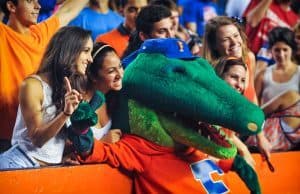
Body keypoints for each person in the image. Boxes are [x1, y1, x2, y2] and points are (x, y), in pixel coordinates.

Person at [0, 0, 90, 153]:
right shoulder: (2, 34)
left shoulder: (42, 34)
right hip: (5, 139)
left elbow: (67, 11)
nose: (38, 6)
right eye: (30, 1)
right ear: (11, 6)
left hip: (40, 139)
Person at [202, 16, 272, 159]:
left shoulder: (249, 58)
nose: (234, 42)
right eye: (226, 39)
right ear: (215, 45)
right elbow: (212, 123)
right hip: (216, 139)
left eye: (236, 35)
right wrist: (241, 147)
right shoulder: (209, 72)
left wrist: (260, 136)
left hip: (241, 131)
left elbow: (251, 99)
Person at [252, 27, 300, 151]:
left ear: (292, 50)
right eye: (277, 50)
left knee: (292, 96)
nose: (281, 54)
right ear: (271, 51)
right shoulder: (263, 75)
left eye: (285, 50)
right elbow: (254, 106)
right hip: (267, 127)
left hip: (294, 127)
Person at [214, 57, 256, 168]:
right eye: (234, 77)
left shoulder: (230, 105)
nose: (239, 85)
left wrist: (244, 149)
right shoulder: (208, 103)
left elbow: (229, 136)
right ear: (219, 76)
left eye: (242, 80)